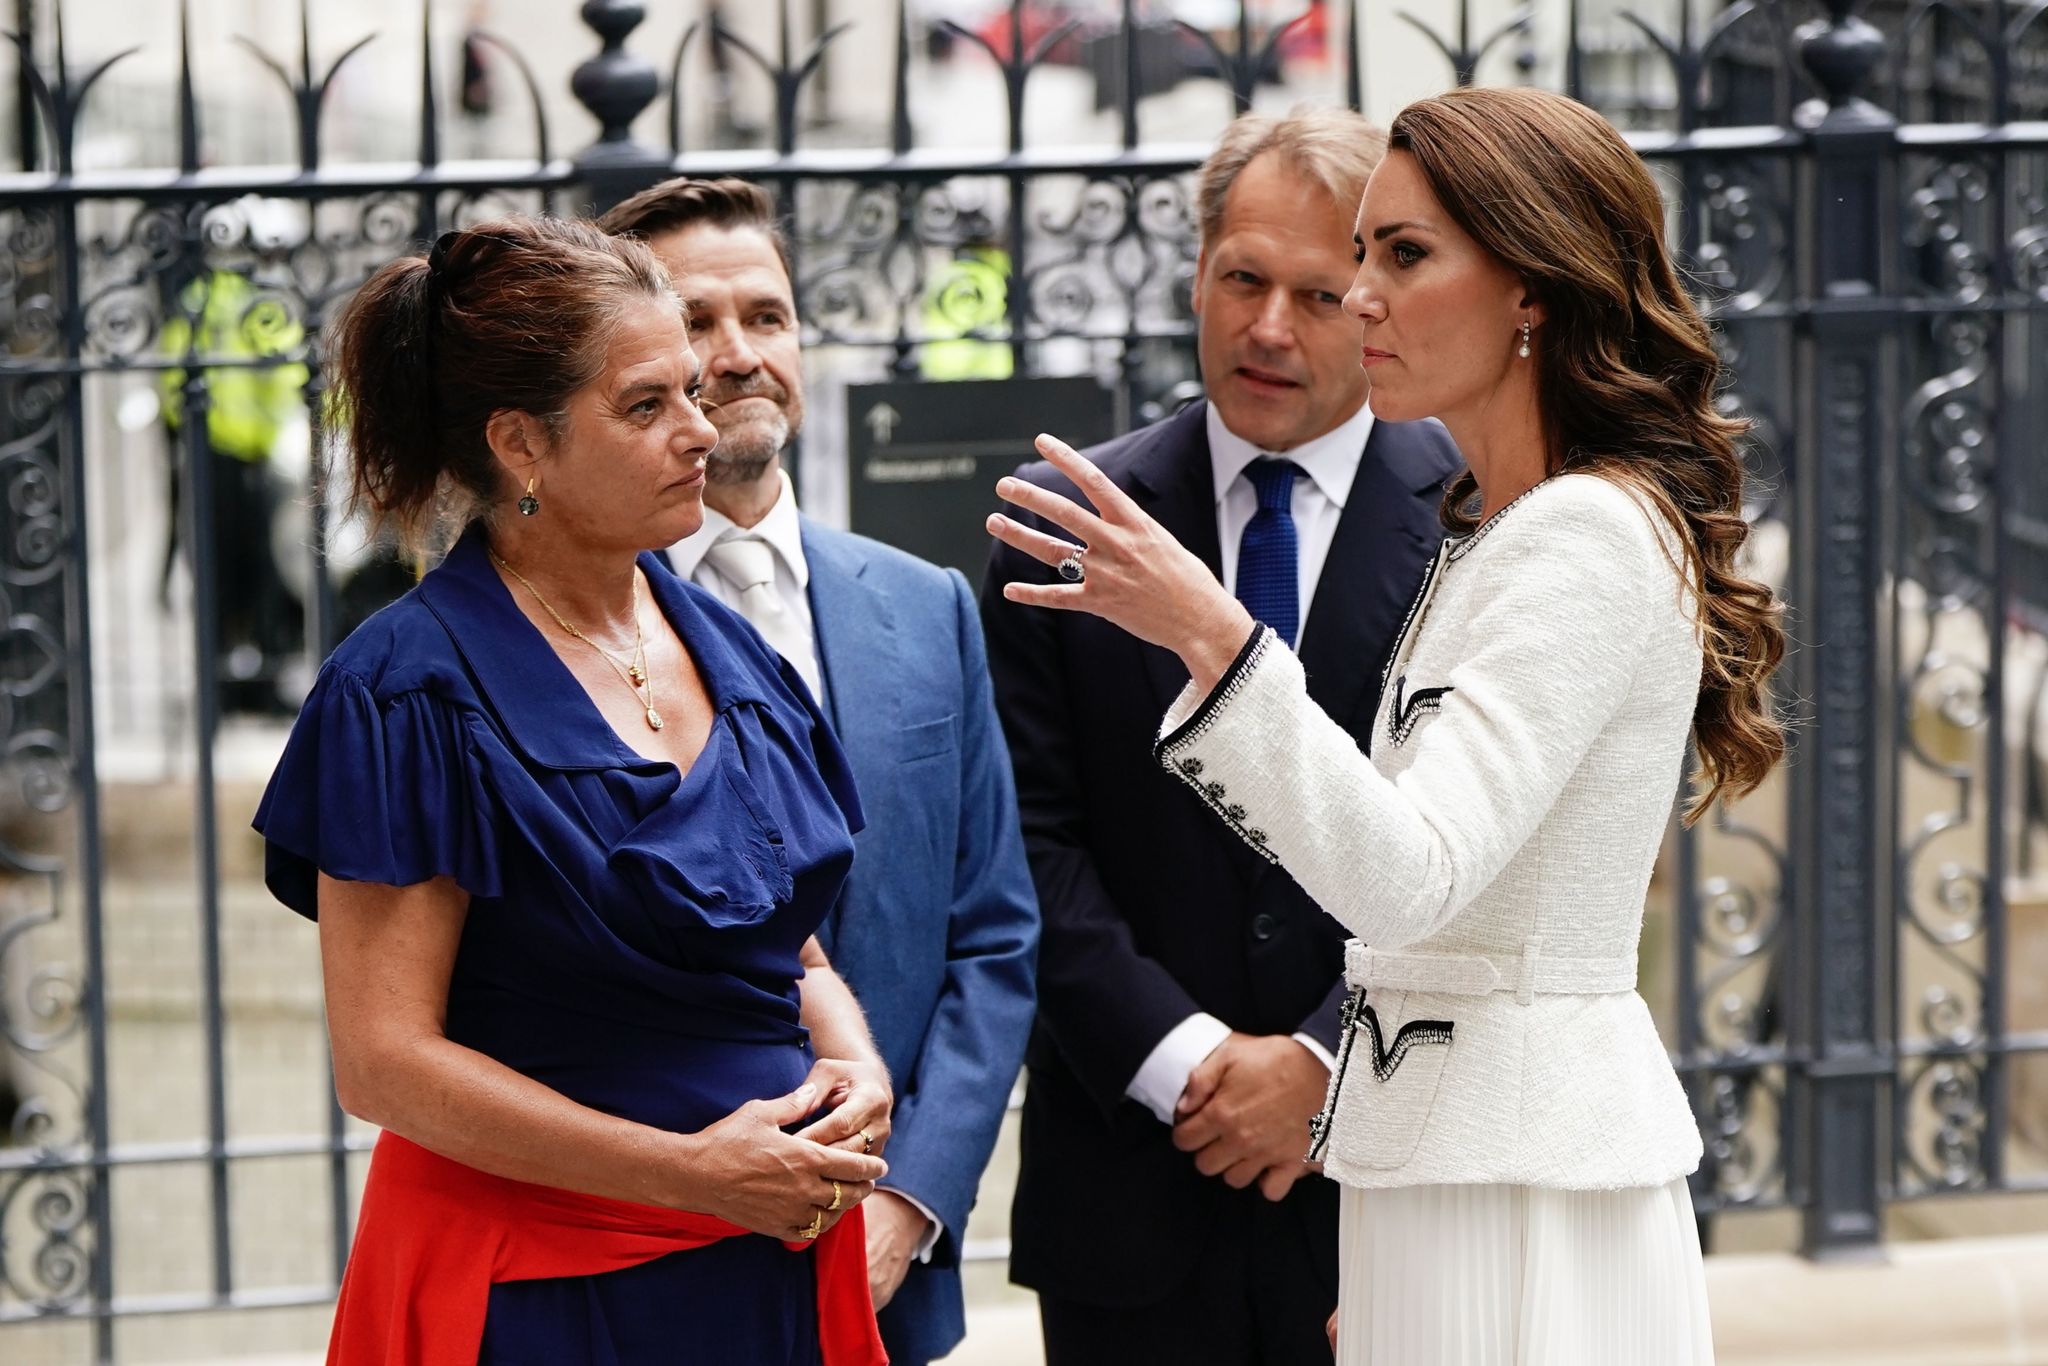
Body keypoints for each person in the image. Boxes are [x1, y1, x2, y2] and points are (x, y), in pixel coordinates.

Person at [985, 86, 1787, 1365]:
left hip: (1515, 1192)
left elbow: (1410, 878)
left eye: (1398, 257)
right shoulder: (1507, 527)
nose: (1357, 300)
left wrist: (1213, 637)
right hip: (1426, 1177)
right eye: (1365, 255)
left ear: (1530, 286)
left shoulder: (1577, 533)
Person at [251, 217, 892, 1366]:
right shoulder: (404, 692)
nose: (702, 430)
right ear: (520, 445)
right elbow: (384, 1060)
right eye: (646, 406)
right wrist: (691, 1170)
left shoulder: (729, 650)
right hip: (546, 1291)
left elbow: (786, 944)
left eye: (691, 392)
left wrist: (853, 1060)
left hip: (762, 1270)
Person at [979, 111, 1460, 1364]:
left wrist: (1319, 1060)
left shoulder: (1484, 527)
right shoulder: (1061, 520)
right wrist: (1186, 1061)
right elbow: (1022, 844)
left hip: (1386, 1190)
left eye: (1314, 294)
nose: (1265, 328)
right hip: (1129, 1190)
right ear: (1196, 273)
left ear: (1373, 300)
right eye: (1241, 278)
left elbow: (1484, 853)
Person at [597, 177, 1041, 1366]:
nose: (738, 355)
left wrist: (911, 1199)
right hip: (647, 1256)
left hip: (891, 1277)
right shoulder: (563, 627)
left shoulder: (926, 605)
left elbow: (992, 938)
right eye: (694, 323)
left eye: (767, 316)